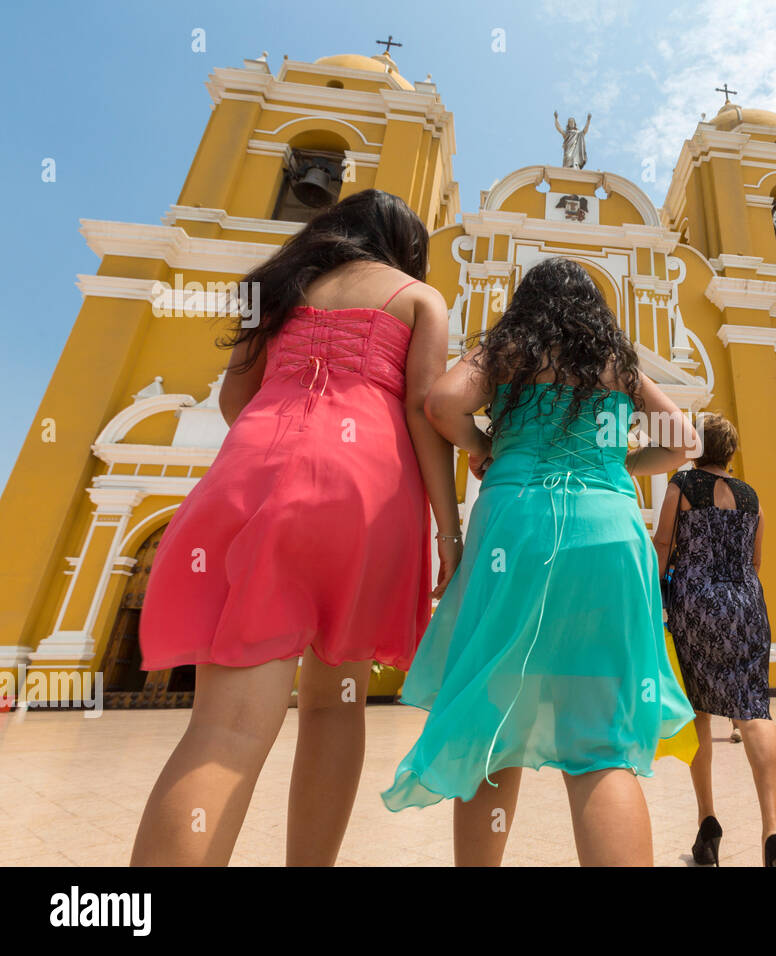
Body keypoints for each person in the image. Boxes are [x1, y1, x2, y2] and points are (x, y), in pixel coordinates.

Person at [132, 189, 461, 866]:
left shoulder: (277, 288)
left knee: (223, 730)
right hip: (364, 493)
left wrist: (275, 454)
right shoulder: (418, 298)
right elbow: (428, 419)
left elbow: (233, 398)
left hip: (252, 471)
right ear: (406, 249)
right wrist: (448, 534)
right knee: (335, 705)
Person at [382, 257, 697, 867]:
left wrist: (485, 446)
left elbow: (443, 401)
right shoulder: (618, 364)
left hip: (518, 527)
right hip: (610, 531)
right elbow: (683, 439)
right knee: (602, 742)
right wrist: (621, 468)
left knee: (491, 720)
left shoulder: (511, 349)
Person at [655, 412, 776, 867]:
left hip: (693, 603)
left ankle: (707, 822)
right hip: (746, 606)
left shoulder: (682, 484)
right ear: (731, 452)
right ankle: (773, 830)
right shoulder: (752, 497)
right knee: (754, 709)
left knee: (698, 708)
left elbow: (662, 544)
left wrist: (656, 593)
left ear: (696, 446)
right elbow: (755, 560)